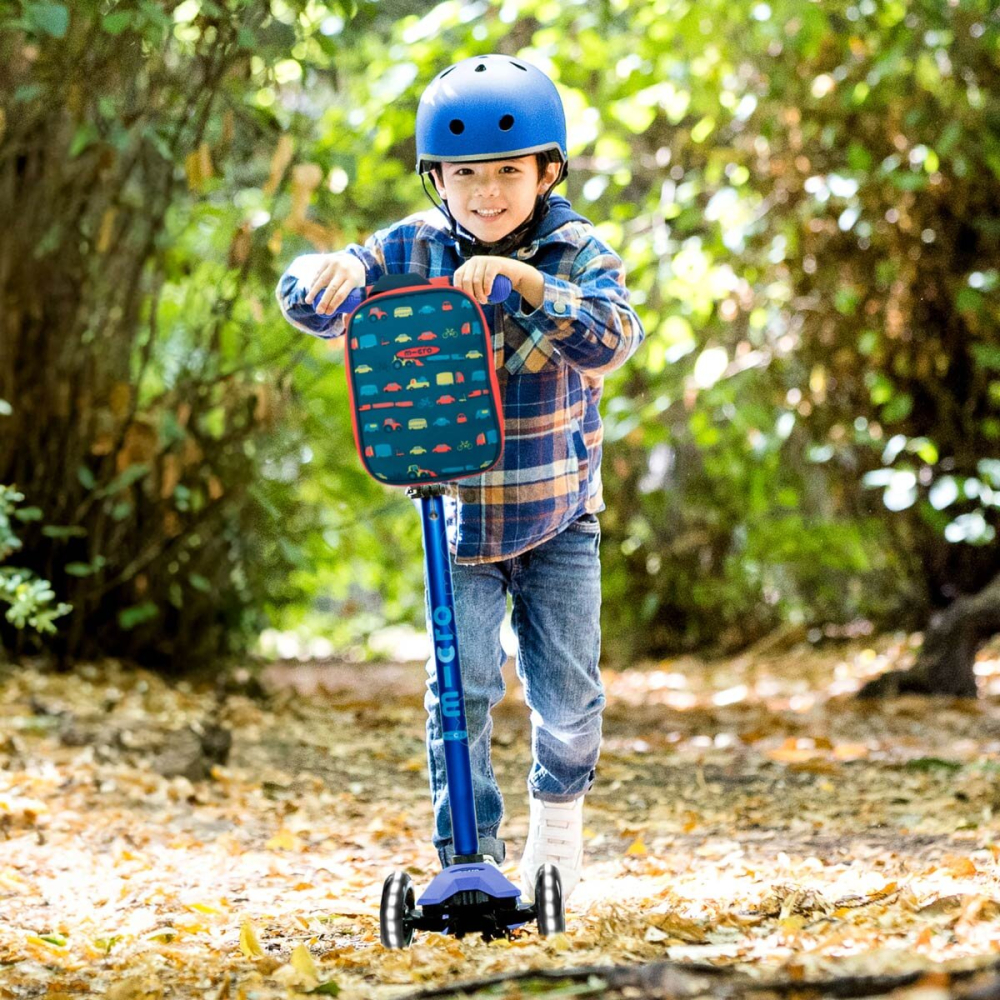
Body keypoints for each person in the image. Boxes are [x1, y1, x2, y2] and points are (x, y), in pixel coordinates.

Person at [276, 54, 645, 903]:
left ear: (547, 171)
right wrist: (324, 273)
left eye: (508, 172)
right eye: (465, 173)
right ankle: (467, 861)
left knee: (571, 700)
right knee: (459, 692)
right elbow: (316, 302)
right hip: (459, 526)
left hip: (559, 517)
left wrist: (527, 283)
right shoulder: (413, 247)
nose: (486, 192)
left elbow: (614, 338)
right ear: (437, 178)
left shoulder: (576, 248)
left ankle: (557, 822)